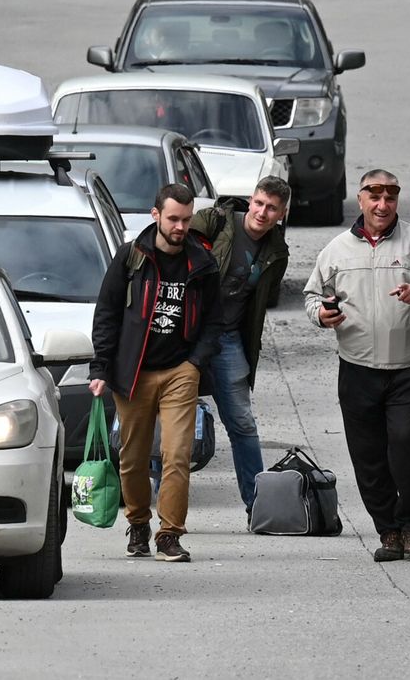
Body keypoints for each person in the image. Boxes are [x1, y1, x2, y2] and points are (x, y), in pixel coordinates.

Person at [303, 170, 410, 562]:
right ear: (361, 200)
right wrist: (322, 314)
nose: (382, 205)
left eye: (390, 197)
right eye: (375, 197)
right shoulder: (337, 250)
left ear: (397, 201)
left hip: (409, 365)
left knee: (405, 444)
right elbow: (311, 296)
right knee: (367, 455)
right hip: (356, 368)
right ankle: (388, 530)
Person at [89, 184, 222, 563]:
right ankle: (138, 522)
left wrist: (196, 361)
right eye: (173, 219)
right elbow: (108, 313)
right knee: (131, 458)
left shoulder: (202, 263)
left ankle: (170, 533)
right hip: (134, 372)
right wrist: (100, 367)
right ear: (156, 215)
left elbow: (215, 320)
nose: (180, 227)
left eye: (186, 218)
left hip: (181, 370)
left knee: (176, 453)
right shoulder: (131, 257)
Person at [189, 176, 290, 516]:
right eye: (259, 203)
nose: (262, 212)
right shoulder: (215, 221)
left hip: (229, 339)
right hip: (186, 337)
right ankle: (159, 498)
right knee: (172, 420)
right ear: (251, 200)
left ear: (281, 213)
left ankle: (257, 504)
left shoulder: (277, 252)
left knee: (243, 425)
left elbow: (259, 301)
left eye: (271, 208)